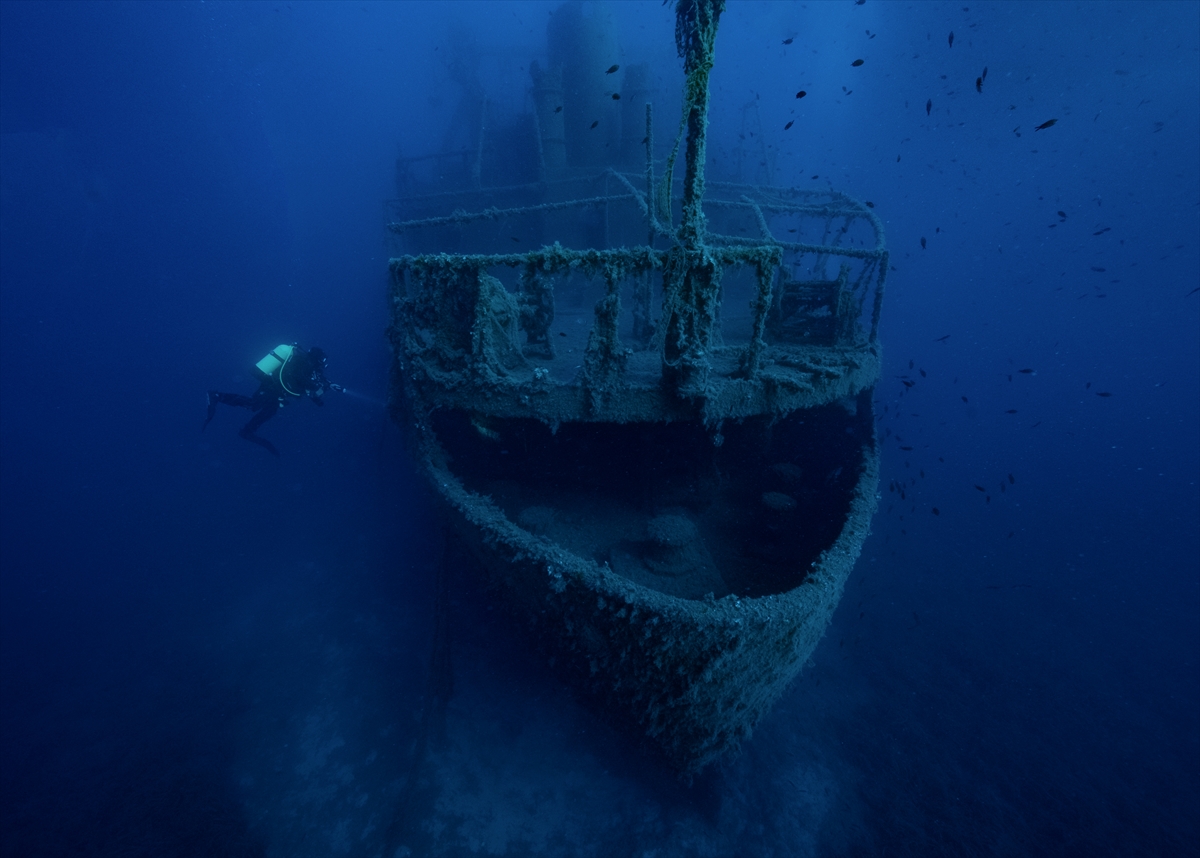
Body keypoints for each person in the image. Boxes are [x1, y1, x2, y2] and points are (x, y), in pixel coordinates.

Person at [203, 343, 341, 456]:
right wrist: (315, 385)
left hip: (277, 390)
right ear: (317, 358)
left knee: (270, 410)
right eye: (322, 361)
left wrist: (328, 385)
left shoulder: (310, 368)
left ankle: (247, 431)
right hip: (272, 386)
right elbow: (300, 377)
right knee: (253, 404)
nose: (323, 365)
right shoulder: (303, 362)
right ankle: (217, 396)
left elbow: (314, 380)